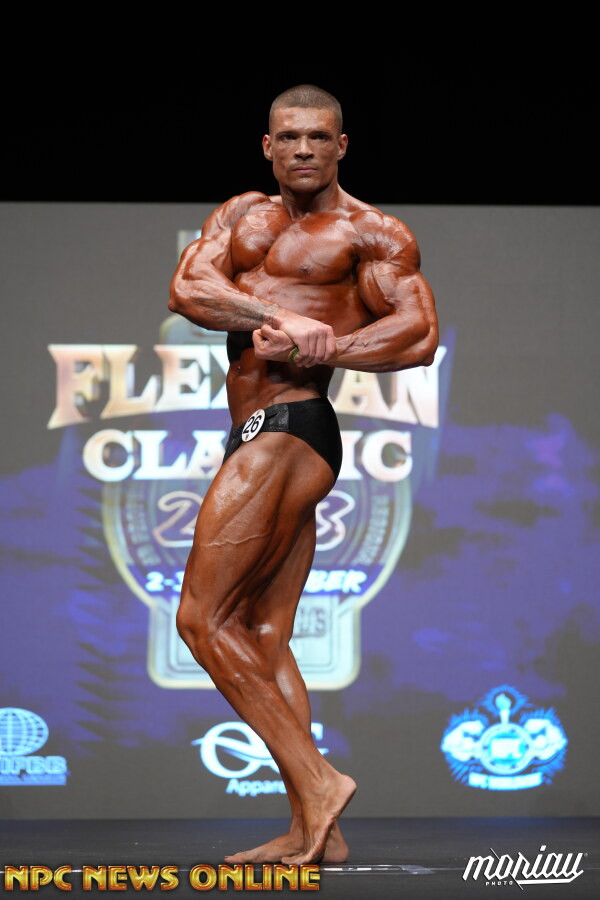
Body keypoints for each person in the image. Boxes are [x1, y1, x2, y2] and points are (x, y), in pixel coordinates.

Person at [168, 84, 438, 865]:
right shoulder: (239, 216)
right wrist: (278, 318)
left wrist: (331, 346)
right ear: (268, 146)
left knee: (200, 621)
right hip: (255, 431)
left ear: (342, 146)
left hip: (291, 426)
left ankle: (319, 783)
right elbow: (188, 290)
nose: (303, 149)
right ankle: (315, 830)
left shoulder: (371, 232)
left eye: (319, 136)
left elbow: (419, 332)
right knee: (262, 633)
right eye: (289, 137)